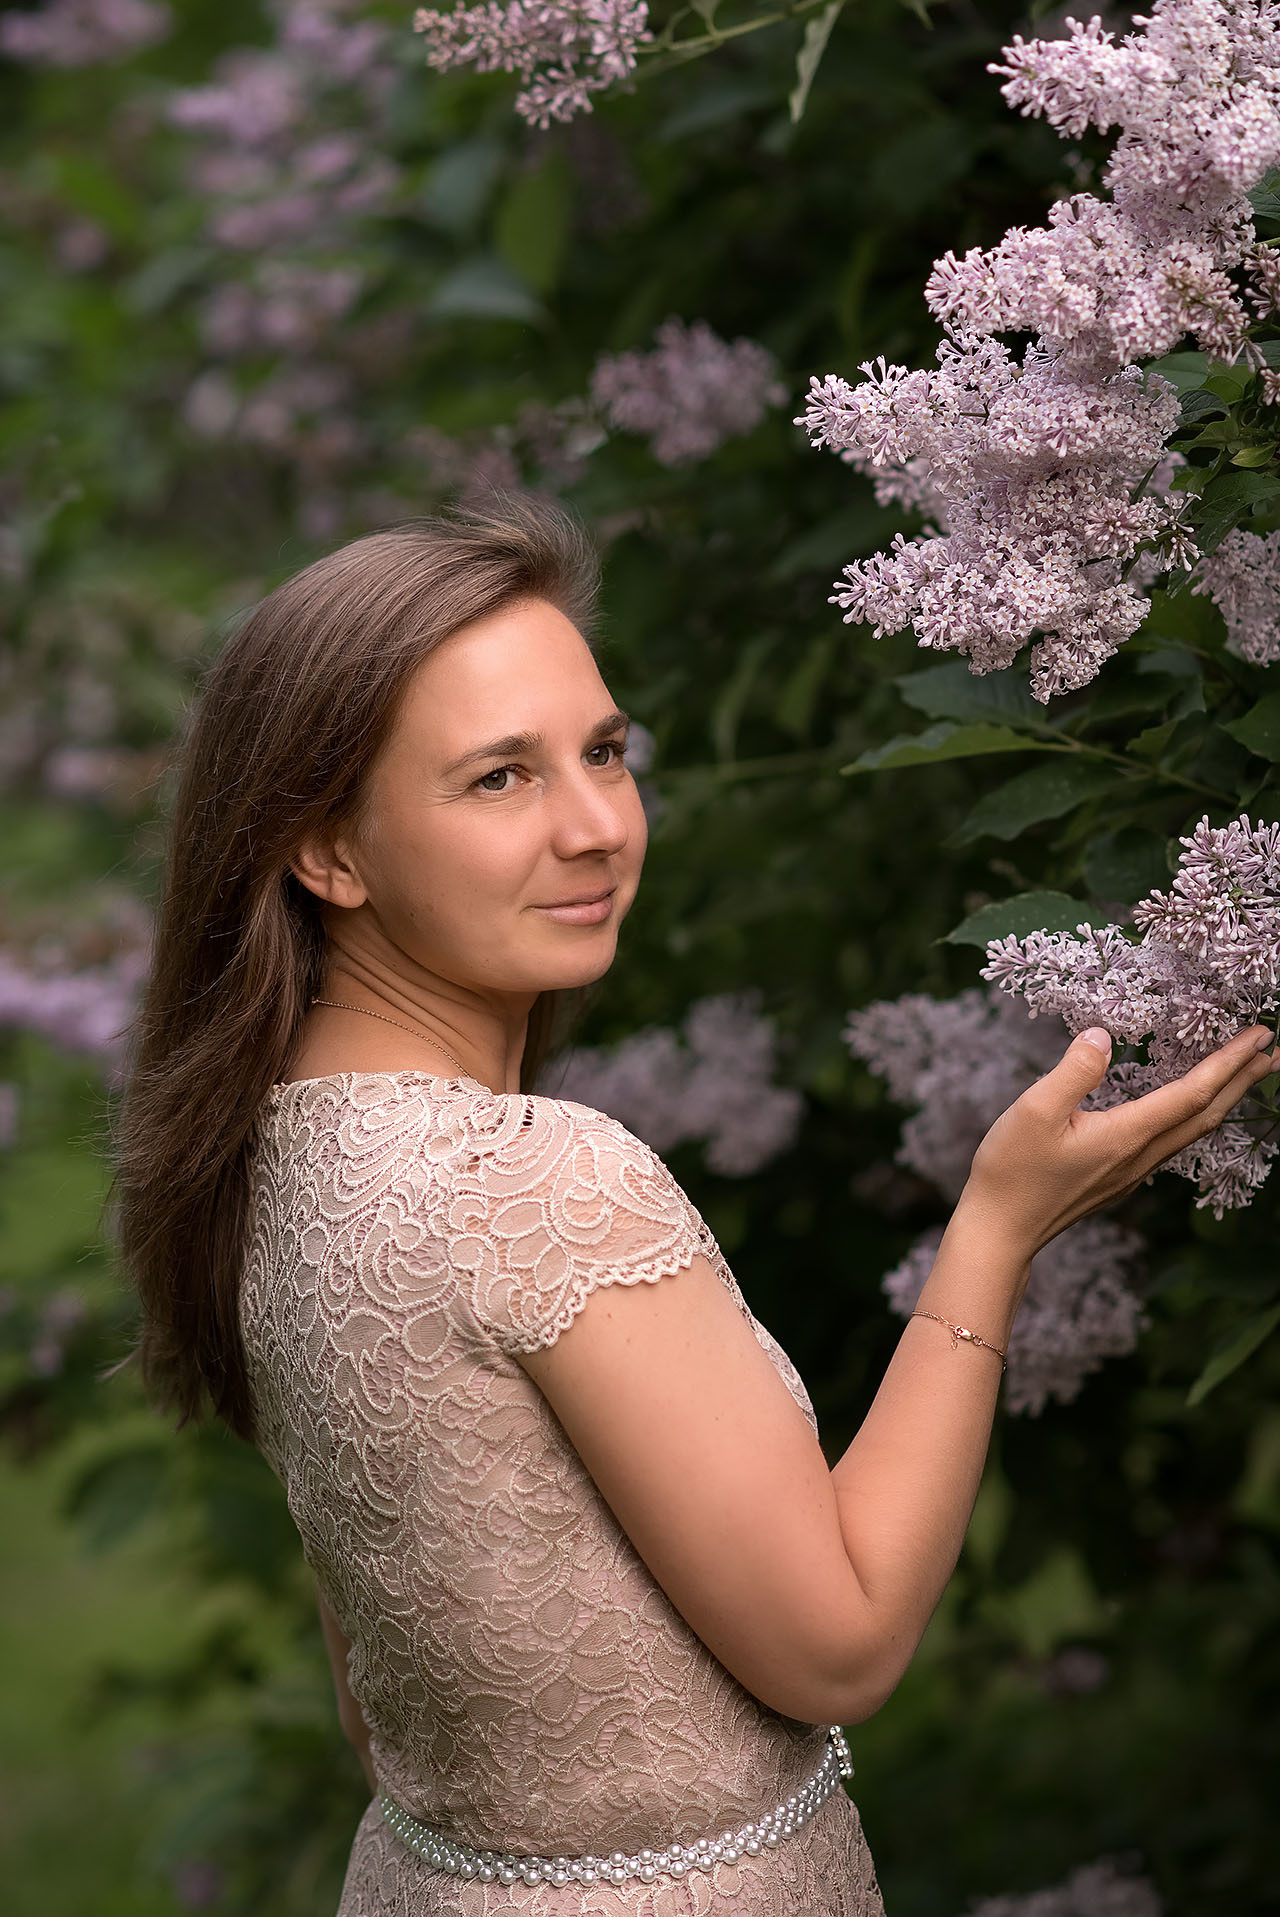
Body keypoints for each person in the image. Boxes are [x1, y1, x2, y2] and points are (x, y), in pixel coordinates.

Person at [111, 495, 1279, 1917]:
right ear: (329, 852)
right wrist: (998, 1230)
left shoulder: (271, 1153)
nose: (598, 826)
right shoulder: (535, 1179)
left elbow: (390, 1708)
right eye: (500, 778)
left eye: (604, 752)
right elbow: (841, 1645)